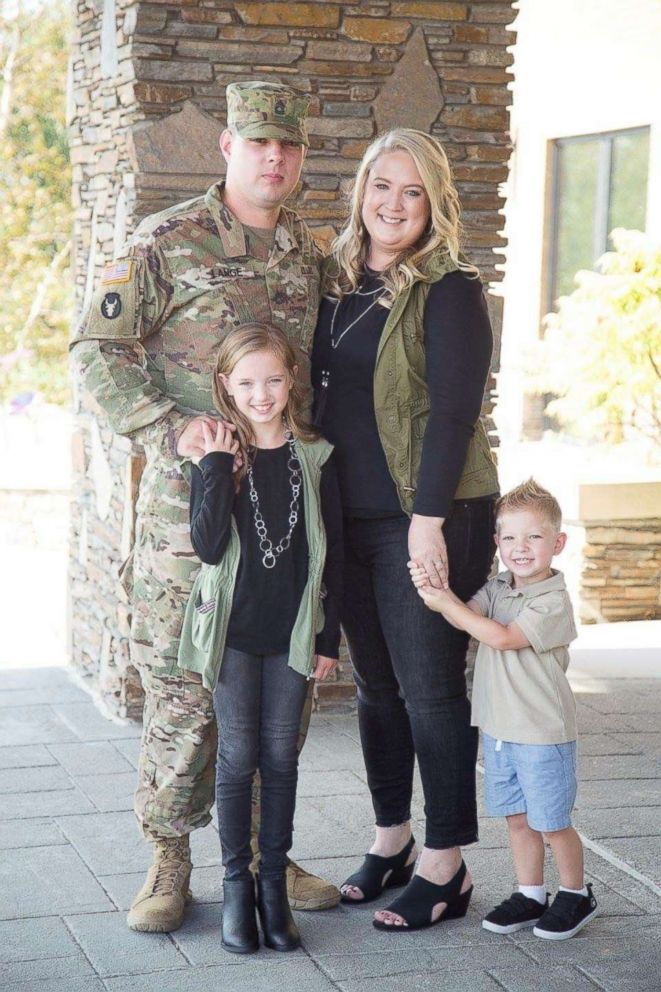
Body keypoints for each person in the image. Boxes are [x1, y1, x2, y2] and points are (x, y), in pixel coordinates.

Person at [70, 80, 341, 934]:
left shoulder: (309, 253)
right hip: (187, 530)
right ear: (228, 144)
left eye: (288, 145)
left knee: (278, 692)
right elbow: (96, 347)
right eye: (259, 142)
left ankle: (266, 852)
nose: (274, 158)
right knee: (187, 695)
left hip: (283, 521)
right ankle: (169, 859)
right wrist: (169, 426)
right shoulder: (167, 240)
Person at [311, 128, 499, 931]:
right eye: (381, 186)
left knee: (429, 690)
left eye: (412, 191)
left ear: (434, 202)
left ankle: (445, 864)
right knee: (376, 688)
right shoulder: (336, 283)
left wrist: (425, 522)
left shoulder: (450, 288)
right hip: (349, 514)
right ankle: (392, 838)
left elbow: (455, 414)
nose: (393, 204)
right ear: (360, 190)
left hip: (428, 513)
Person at [176, 323, 342, 953]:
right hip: (235, 637)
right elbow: (209, 543)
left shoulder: (317, 456)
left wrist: (328, 637)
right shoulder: (216, 453)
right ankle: (236, 890)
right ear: (226, 386)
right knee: (238, 757)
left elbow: (337, 555)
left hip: (292, 633)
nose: (262, 393)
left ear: (291, 378)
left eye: (273, 379)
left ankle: (274, 884)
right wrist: (216, 465)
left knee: (281, 758)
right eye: (246, 382)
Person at [411, 479, 599, 941]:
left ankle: (576, 895)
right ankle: (531, 893)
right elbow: (463, 615)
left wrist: (444, 601)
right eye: (510, 537)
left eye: (534, 537)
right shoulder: (497, 587)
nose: (521, 548)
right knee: (517, 819)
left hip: (541, 732)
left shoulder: (552, 601)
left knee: (551, 822)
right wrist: (433, 589)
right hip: (498, 730)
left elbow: (500, 637)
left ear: (557, 543)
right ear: (496, 542)